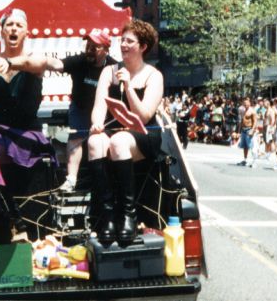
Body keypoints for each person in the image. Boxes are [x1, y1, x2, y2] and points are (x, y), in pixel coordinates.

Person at [0, 8, 58, 244]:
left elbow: (30, 63)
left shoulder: (35, 58)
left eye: (19, 25)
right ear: (2, 32)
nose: (14, 29)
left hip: (25, 136)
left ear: (26, 32)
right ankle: (10, 213)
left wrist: (8, 63)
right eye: (9, 25)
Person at [9, 29, 117, 193]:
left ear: (106, 49)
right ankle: (71, 180)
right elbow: (56, 64)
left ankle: (106, 179)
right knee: (75, 139)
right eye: (88, 45)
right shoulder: (79, 61)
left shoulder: (113, 67)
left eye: (95, 47)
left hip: (105, 111)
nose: (89, 49)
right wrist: (39, 61)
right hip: (80, 108)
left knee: (104, 141)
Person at [88, 19, 163, 245]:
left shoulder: (153, 75)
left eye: (129, 41)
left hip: (144, 134)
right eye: (122, 40)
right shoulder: (108, 72)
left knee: (119, 141)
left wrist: (129, 87)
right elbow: (98, 108)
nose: (123, 45)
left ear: (143, 47)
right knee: (95, 143)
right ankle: (107, 217)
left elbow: (144, 116)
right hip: (115, 132)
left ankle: (128, 215)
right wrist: (97, 124)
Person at [237, 97, 257, 167]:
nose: (245, 105)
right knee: (245, 146)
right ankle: (245, 160)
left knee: (252, 146)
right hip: (243, 130)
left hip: (249, 129)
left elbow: (255, 122)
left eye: (246, 104)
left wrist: (252, 130)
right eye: (244, 104)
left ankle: (254, 162)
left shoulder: (252, 111)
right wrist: (239, 131)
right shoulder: (242, 111)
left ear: (249, 103)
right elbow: (241, 121)